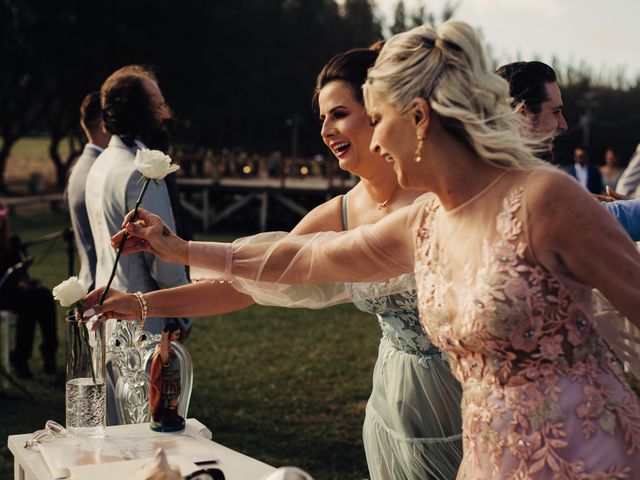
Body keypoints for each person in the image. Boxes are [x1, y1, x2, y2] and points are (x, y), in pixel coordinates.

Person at [105, 21, 640, 478]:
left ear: (420, 118)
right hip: (489, 458)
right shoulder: (425, 222)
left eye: (377, 119)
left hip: (584, 455)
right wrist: (180, 249)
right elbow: (301, 259)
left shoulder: (545, 199)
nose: (377, 142)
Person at [83, 48, 463, 480]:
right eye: (321, 117)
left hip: (464, 399)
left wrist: (181, 249)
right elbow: (242, 282)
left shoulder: (440, 201)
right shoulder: (338, 213)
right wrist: (139, 303)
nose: (325, 130)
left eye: (339, 113)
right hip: (394, 405)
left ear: (379, 111)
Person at [85, 65, 192, 337]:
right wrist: (183, 313)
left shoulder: (99, 165)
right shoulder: (138, 174)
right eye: (157, 107)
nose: (166, 114)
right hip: (144, 324)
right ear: (136, 113)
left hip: (106, 319)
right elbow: (163, 257)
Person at [498, 60, 640, 240]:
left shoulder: (484, 176)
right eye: (555, 111)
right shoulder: (535, 187)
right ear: (523, 115)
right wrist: (574, 203)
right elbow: (616, 220)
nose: (564, 125)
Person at [0, 201, 57, 378]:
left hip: (15, 290)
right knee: (29, 302)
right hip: (3, 294)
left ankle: (49, 354)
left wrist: (26, 281)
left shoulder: (11, 243)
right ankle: (20, 359)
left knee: (45, 295)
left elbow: (18, 272)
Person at [66, 92, 111, 291]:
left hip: (90, 279)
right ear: (104, 124)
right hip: (103, 287)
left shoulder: (79, 167)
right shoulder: (99, 172)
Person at [150, 321, 185, 432]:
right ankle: (165, 418)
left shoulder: (171, 348)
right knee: (167, 401)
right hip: (168, 382)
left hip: (174, 381)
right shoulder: (164, 350)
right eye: (176, 334)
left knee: (174, 401)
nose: (178, 337)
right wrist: (164, 337)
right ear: (168, 334)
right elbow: (164, 358)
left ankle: (172, 416)